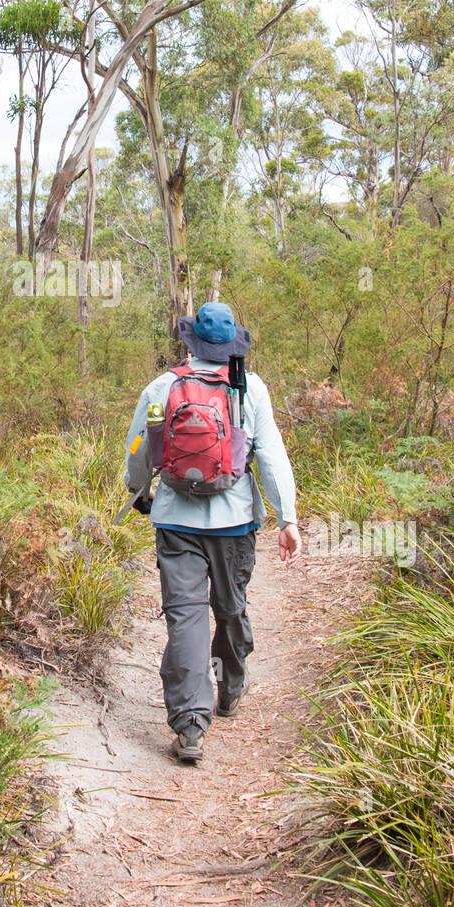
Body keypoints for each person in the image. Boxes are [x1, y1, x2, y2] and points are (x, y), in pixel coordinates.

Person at [124, 302, 302, 763]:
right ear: (231, 347)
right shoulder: (250, 388)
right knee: (230, 607)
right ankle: (231, 686)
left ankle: (189, 727)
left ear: (191, 343)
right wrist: (288, 519)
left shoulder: (163, 386)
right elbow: (271, 456)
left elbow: (139, 447)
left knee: (185, 617)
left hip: (175, 521)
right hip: (235, 522)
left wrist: (140, 491)